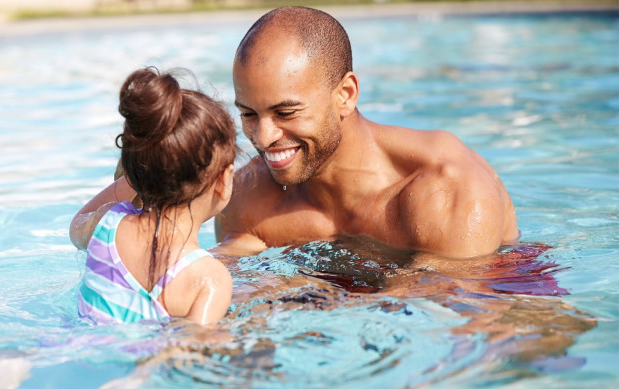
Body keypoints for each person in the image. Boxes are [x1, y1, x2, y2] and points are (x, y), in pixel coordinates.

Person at [215, 6, 519, 260]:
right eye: (249, 114)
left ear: (345, 95)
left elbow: (453, 315)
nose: (263, 138)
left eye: (285, 113)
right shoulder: (247, 200)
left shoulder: (446, 189)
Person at [69, 68, 237, 325]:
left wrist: (136, 177)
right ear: (224, 180)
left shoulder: (107, 224)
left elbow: (76, 228)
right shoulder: (209, 279)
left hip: (70, 343)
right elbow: (190, 347)